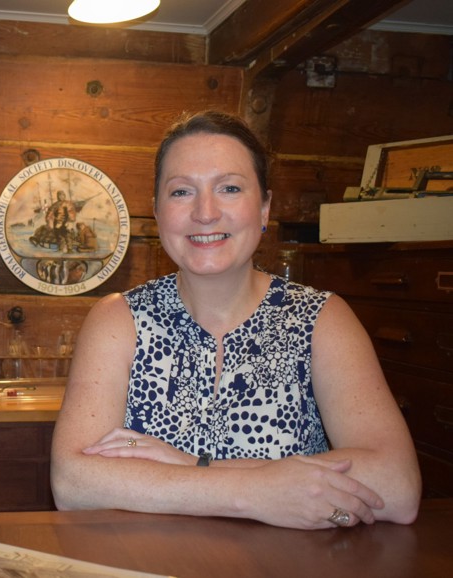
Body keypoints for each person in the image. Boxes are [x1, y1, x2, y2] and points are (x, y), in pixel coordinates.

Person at [50, 110, 421, 530]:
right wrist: (256, 493)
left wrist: (199, 466)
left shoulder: (322, 319)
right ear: (157, 213)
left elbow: (398, 486)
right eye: (181, 192)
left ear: (264, 208)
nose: (205, 212)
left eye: (229, 188)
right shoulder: (118, 319)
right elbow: (73, 482)